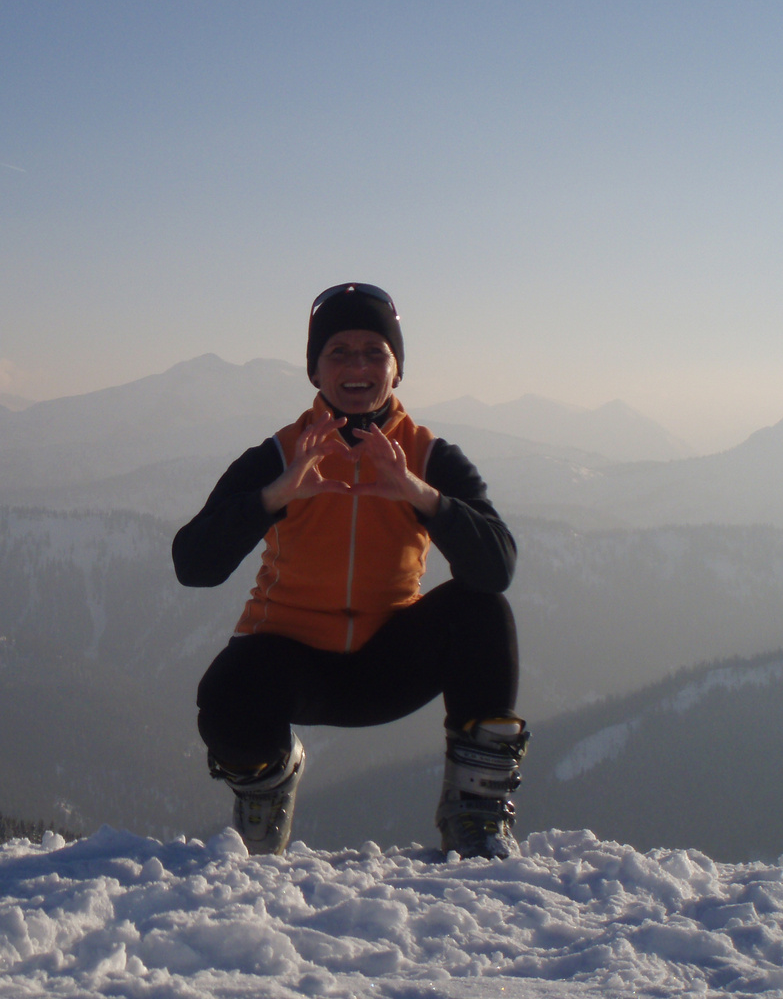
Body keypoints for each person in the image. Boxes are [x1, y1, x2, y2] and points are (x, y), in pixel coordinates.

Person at [172, 283, 528, 858]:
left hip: (391, 660)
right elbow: (193, 564)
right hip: (292, 661)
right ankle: (267, 782)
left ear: (397, 369)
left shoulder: (430, 458)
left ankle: (475, 812)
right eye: (339, 351)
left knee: (483, 611)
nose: (358, 366)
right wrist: (273, 496)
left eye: (374, 352)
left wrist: (421, 496)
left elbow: (496, 568)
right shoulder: (282, 454)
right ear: (315, 370)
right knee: (225, 699)